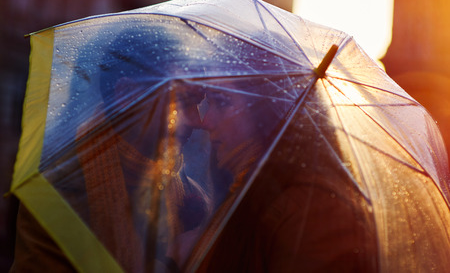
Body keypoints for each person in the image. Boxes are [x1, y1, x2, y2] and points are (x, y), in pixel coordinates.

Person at [11, 21, 211, 273]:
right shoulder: (58, 195)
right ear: (126, 95)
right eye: (181, 100)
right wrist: (170, 261)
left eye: (198, 102)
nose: (198, 120)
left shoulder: (191, 198)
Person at [187, 77, 379, 272]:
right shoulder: (246, 192)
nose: (206, 121)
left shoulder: (312, 213)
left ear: (268, 108)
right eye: (208, 102)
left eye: (222, 102)